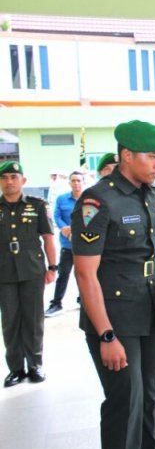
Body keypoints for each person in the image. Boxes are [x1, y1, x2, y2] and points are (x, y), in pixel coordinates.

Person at [72, 120, 155, 449]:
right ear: (127, 155)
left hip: (153, 314)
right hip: (116, 319)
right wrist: (106, 335)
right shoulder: (97, 201)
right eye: (152, 155)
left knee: (149, 400)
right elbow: (85, 273)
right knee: (124, 404)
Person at [0, 161, 56, 387]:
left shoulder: (37, 205)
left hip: (32, 270)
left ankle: (35, 365)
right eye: (4, 178)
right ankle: (15, 368)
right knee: (10, 321)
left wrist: (53, 267)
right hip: (4, 272)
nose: (9, 181)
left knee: (33, 319)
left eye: (14, 177)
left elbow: (48, 238)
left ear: (23, 180)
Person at [45, 170, 85, 317]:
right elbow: (56, 216)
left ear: (83, 182)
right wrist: (63, 228)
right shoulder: (62, 199)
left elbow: (91, 219)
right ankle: (56, 303)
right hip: (67, 246)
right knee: (63, 275)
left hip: (84, 245)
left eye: (78, 180)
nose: (76, 183)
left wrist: (73, 229)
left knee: (84, 274)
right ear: (69, 183)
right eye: (73, 181)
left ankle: (83, 300)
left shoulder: (89, 199)